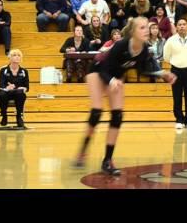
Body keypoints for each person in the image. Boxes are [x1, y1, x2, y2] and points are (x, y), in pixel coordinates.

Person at [72, 17, 177, 174]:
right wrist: (112, 80)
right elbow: (104, 69)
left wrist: (161, 73)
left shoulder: (143, 49)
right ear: (133, 32)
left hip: (115, 77)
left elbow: (141, 71)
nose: (146, 30)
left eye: (147, 27)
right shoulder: (121, 45)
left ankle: (107, 161)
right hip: (97, 69)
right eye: (142, 28)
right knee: (97, 112)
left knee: (118, 116)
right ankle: (83, 150)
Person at [163, 17, 187, 131]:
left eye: (184, 24)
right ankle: (179, 119)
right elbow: (166, 56)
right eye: (179, 24)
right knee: (177, 96)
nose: (182, 26)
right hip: (175, 71)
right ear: (176, 27)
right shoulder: (171, 40)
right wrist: (176, 63)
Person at [0, 49, 29, 128]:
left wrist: (23, 88)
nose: (17, 57)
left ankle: (19, 117)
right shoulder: (3, 70)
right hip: (6, 92)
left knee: (21, 94)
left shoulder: (24, 71)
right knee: (1, 94)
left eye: (18, 55)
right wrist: (7, 87)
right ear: (10, 58)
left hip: (17, 93)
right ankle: (4, 116)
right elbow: (0, 84)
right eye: (14, 55)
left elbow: (27, 87)